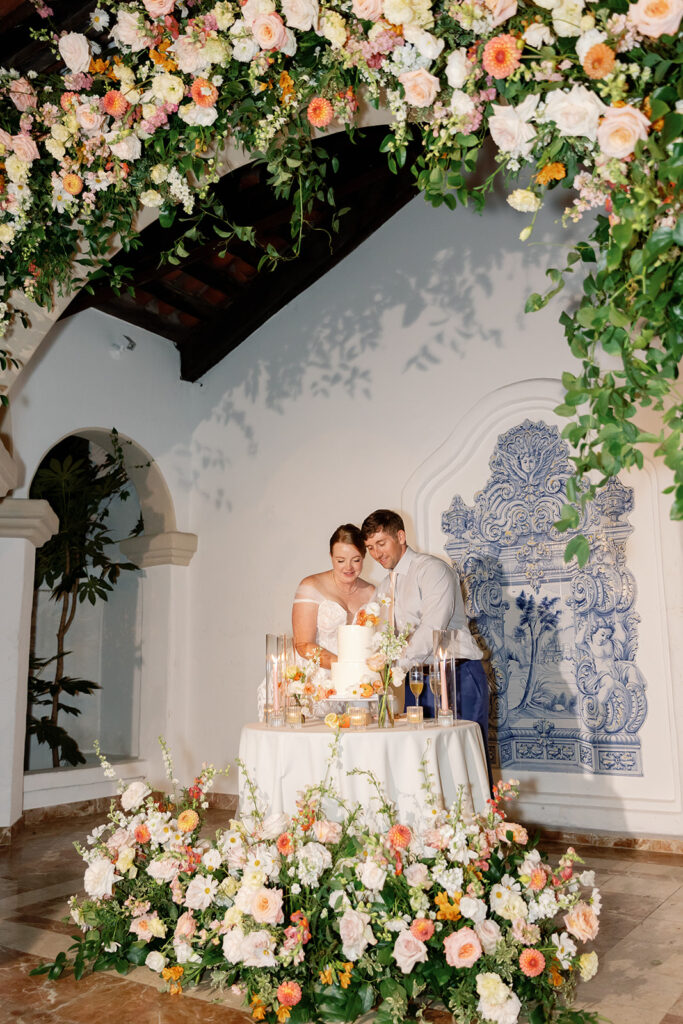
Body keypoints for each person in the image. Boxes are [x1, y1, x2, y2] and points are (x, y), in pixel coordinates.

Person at [361, 509, 491, 761]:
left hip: (458, 675)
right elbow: (379, 635)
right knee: (426, 762)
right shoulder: (384, 587)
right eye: (370, 548)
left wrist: (394, 668)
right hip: (418, 681)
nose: (376, 554)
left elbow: (433, 627)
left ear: (400, 536)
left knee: (465, 760)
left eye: (380, 543)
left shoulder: (433, 570)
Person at [292, 524, 375, 670]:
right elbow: (303, 644)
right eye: (341, 560)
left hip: (359, 680)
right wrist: (344, 667)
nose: (348, 568)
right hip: (317, 676)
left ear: (363, 557)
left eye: (356, 560)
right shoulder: (311, 586)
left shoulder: (372, 592)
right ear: (331, 557)